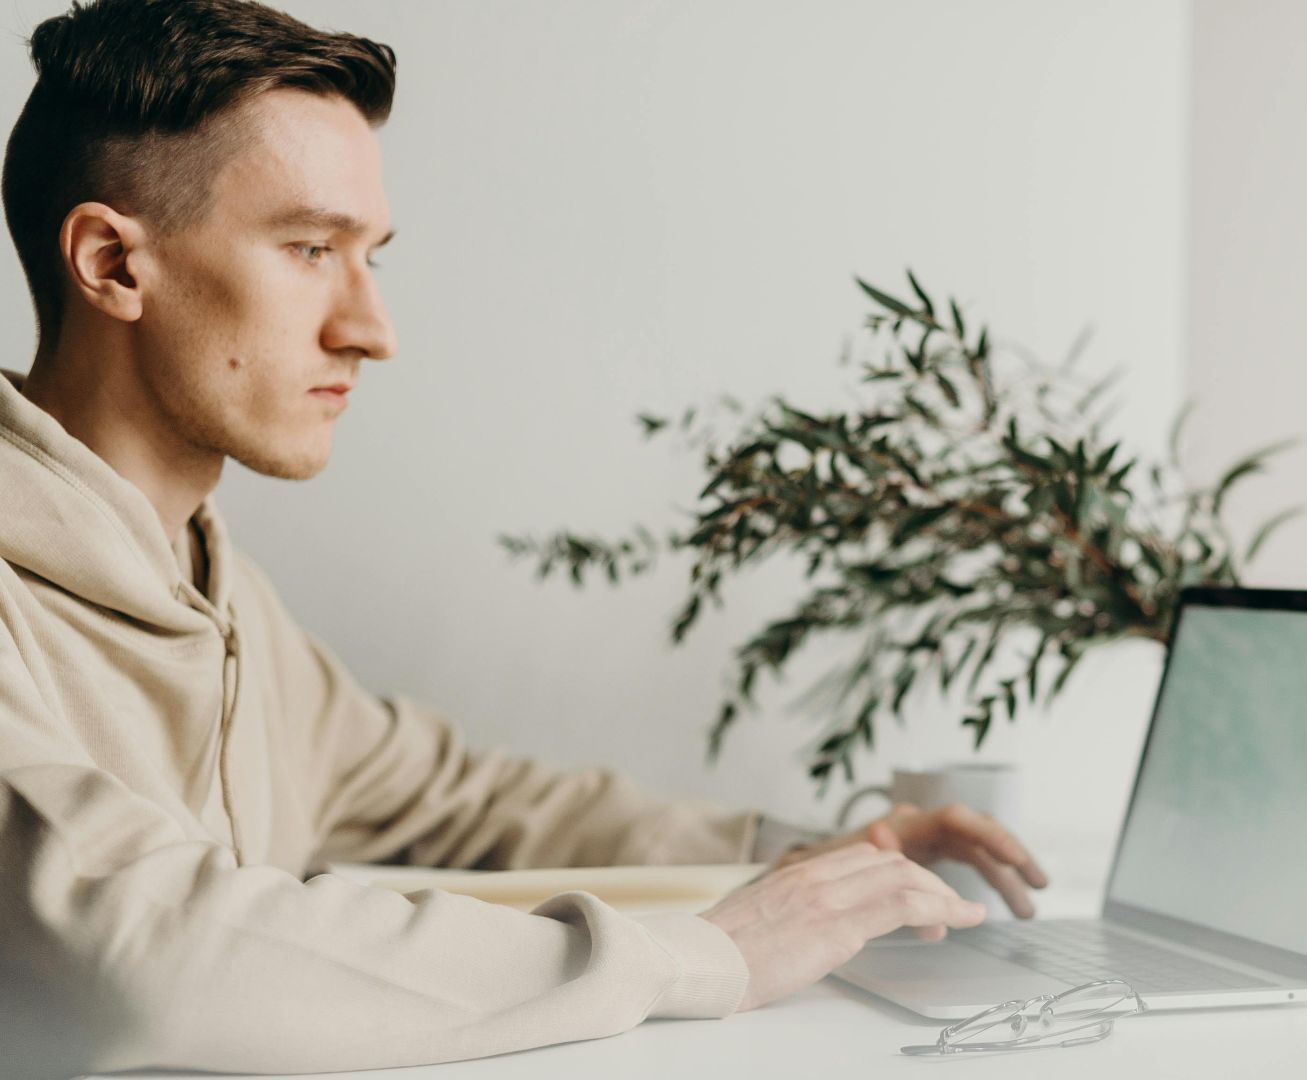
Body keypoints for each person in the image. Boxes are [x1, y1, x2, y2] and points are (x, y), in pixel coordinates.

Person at [0, 1, 1048, 1075]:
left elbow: (462, 803)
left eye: (371, 257)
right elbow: (150, 958)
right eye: (311, 248)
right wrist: (701, 956)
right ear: (113, 265)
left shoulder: (217, 591)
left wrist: (802, 858)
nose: (372, 329)